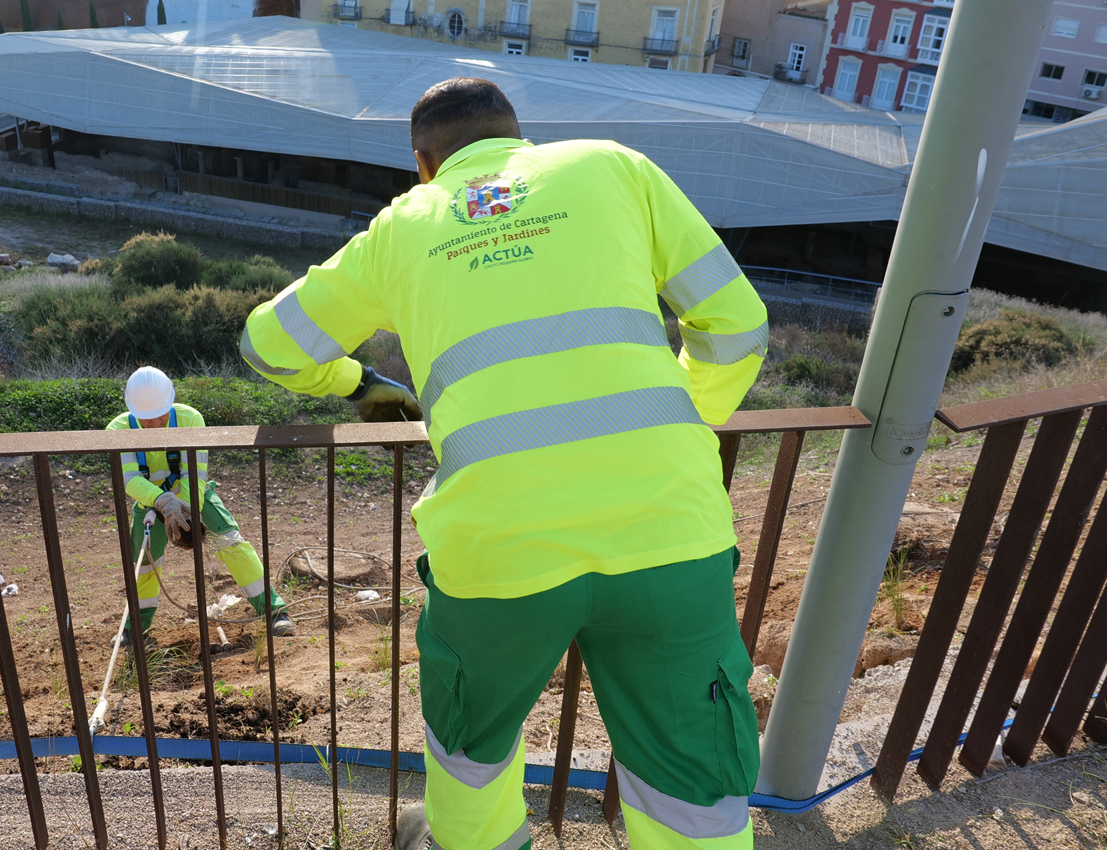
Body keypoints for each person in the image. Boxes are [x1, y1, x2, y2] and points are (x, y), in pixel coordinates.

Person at [239, 78, 767, 849]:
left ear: (424, 163)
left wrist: (359, 383)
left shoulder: (405, 224)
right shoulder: (612, 167)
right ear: (520, 138)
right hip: (669, 529)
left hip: (498, 547)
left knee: (472, 747)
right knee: (693, 776)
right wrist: (679, 422)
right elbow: (738, 326)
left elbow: (268, 345)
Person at [110, 366, 295, 643]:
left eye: (161, 416)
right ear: (133, 411)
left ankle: (275, 612)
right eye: (148, 419)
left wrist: (185, 510)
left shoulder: (190, 419)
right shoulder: (118, 429)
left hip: (193, 496)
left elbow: (194, 472)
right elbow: (130, 479)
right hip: (151, 503)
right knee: (143, 562)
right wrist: (163, 502)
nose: (156, 425)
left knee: (231, 542)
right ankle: (134, 628)